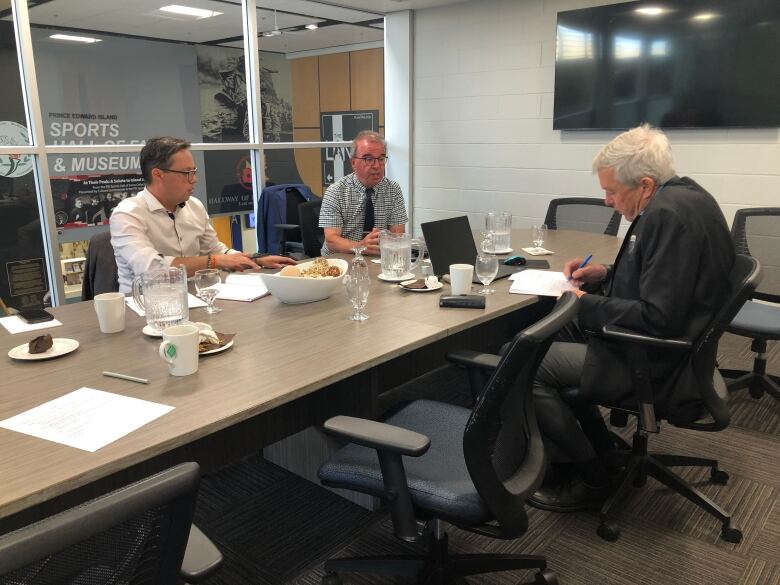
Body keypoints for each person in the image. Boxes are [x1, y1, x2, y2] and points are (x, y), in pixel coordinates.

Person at [528, 124, 735, 512]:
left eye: (611, 191)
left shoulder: (666, 218)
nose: (606, 200)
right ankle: (601, 445)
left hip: (659, 359)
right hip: (678, 347)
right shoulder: (686, 197)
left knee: (528, 364)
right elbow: (662, 278)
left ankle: (592, 475)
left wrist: (579, 300)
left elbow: (658, 316)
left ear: (644, 184)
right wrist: (604, 274)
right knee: (556, 328)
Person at [111, 136, 293, 292]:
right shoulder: (127, 214)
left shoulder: (194, 206)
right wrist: (214, 261)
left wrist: (255, 259)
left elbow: (215, 250)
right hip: (144, 306)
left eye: (194, 172)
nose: (194, 179)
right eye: (187, 173)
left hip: (196, 297)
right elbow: (151, 269)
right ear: (158, 175)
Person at [319, 131, 408, 256]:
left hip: (378, 260)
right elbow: (332, 242)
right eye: (368, 159)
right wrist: (361, 247)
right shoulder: (335, 192)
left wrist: (387, 244)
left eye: (381, 158)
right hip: (340, 262)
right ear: (353, 162)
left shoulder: (393, 189)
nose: (377, 166)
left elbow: (398, 236)